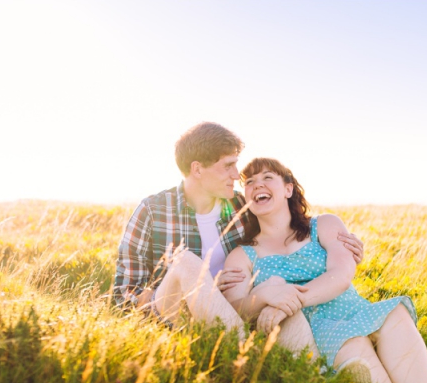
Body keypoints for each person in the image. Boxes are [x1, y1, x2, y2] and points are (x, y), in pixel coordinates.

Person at [221, 157, 427, 383]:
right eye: (249, 183)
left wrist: (287, 299)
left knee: (394, 312)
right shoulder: (243, 255)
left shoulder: (324, 225)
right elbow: (237, 307)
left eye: (267, 177)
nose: (256, 184)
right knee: (352, 341)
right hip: (313, 330)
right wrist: (266, 297)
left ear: (288, 189)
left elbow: (341, 274)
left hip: (352, 308)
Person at [114, 121, 364, 357]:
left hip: (240, 310)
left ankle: (314, 375)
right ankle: (247, 359)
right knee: (185, 263)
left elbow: (288, 230)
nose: (237, 175)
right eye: (228, 166)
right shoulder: (153, 210)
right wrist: (202, 288)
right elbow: (124, 295)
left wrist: (339, 245)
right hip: (176, 317)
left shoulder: (242, 205)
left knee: (281, 298)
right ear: (197, 169)